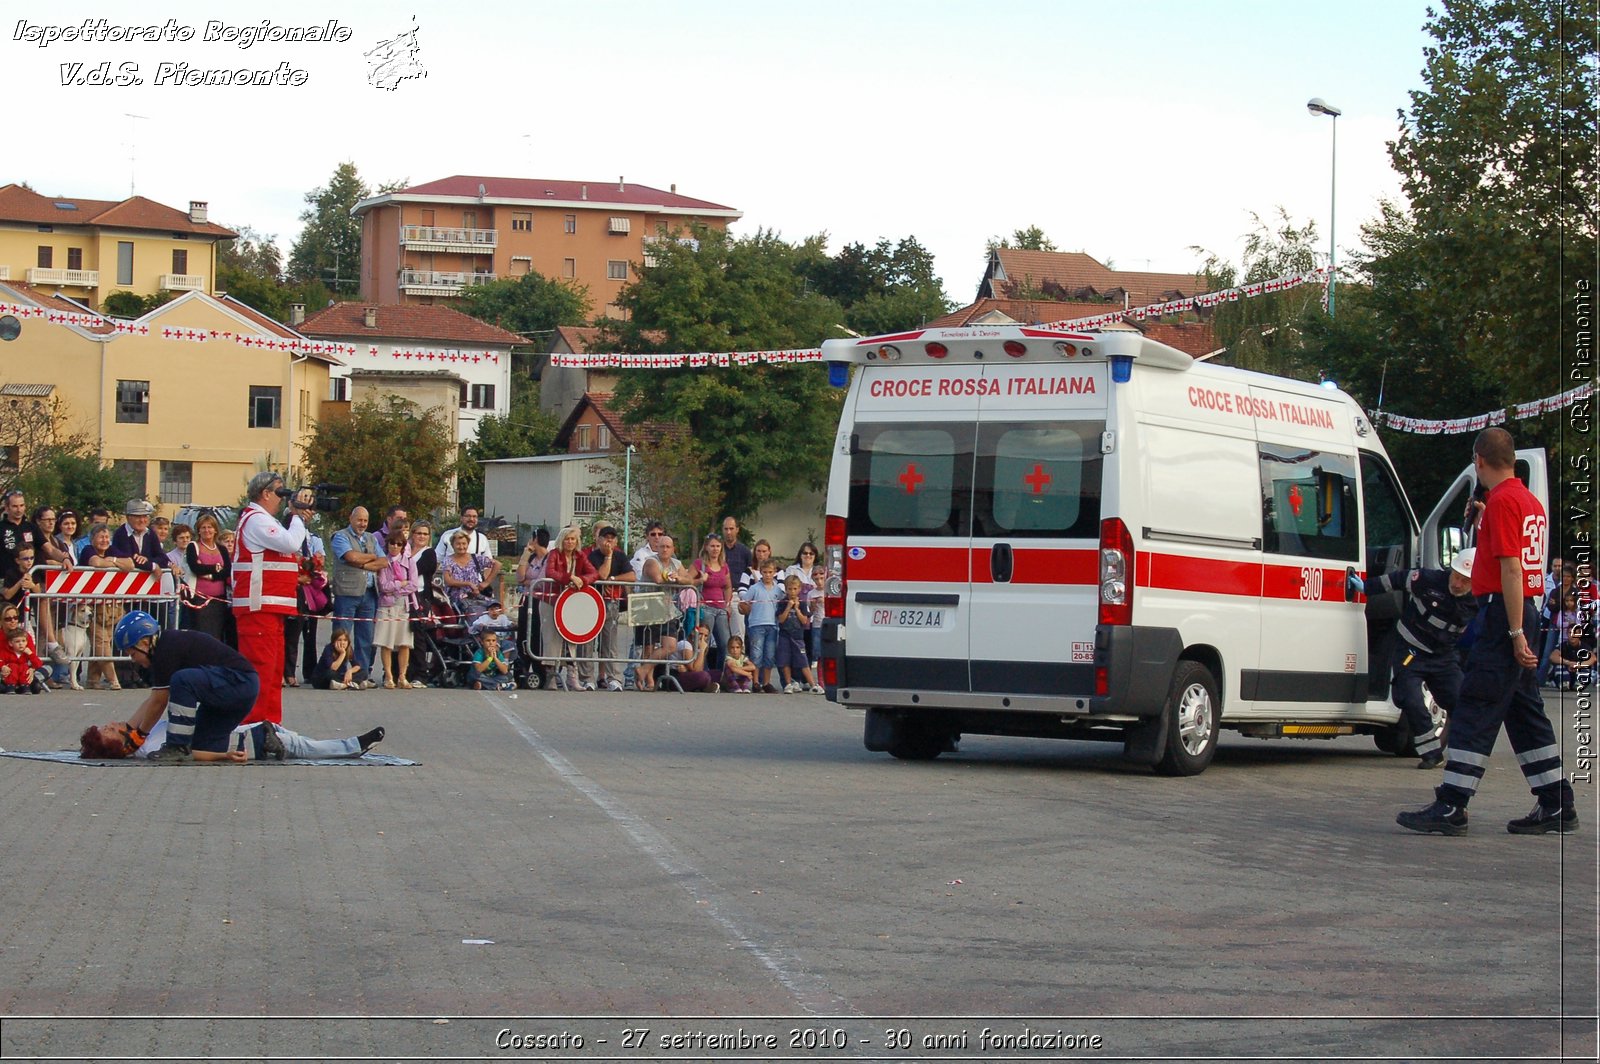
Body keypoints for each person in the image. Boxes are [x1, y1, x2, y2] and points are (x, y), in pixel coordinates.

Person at [1398, 428, 1578, 836]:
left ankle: (1451, 805)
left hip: (1504, 614)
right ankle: (1556, 801)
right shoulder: (1528, 501)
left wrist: (1514, 632)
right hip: (1523, 610)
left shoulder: (1501, 502)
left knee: (1476, 704)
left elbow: (1511, 569)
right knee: (1524, 711)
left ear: (1478, 460)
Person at [90, 610, 260, 762]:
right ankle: (269, 738)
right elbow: (153, 700)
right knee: (205, 746)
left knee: (181, 680)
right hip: (237, 687)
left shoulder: (165, 650)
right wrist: (130, 729)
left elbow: (159, 701)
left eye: (132, 653)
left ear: (144, 643)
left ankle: (177, 746)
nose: (134, 660)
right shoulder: (164, 646)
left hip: (239, 681)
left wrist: (139, 735)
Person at [1368, 549, 1478, 769]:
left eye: (1465, 581)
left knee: (1463, 702)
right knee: (1410, 699)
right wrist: (1366, 587)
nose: (1457, 583)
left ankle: (1465, 753)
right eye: (1456, 576)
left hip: (1443, 657)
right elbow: (1397, 579)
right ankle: (1431, 753)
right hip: (1411, 651)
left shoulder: (1479, 601)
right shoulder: (1429, 579)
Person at [232, 472, 314, 725]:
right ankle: (254, 727)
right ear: (265, 493)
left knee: (273, 671)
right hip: (259, 609)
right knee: (261, 671)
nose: (283, 498)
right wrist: (297, 517)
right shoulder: (256, 520)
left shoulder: (265, 520)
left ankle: (270, 726)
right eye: (280, 492)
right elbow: (290, 543)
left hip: (270, 608)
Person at [80, 716, 385, 763]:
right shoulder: (148, 748)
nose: (112, 723)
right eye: (107, 730)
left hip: (246, 731)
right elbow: (190, 753)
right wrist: (224, 757)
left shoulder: (143, 733)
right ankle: (353, 746)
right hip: (244, 743)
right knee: (305, 747)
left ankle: (350, 746)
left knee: (301, 741)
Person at [330, 506, 385, 690]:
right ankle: (338, 674)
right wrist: (371, 557)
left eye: (365, 521)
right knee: (341, 637)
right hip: (346, 593)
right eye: (359, 520)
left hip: (369, 593)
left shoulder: (371, 537)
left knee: (365, 638)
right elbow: (349, 556)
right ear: (351, 518)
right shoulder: (340, 536)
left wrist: (362, 564)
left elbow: (384, 561)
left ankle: (361, 675)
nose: (362, 524)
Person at [77, 523, 133, 690]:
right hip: (91, 607)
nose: (104, 540)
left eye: (107, 537)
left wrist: (113, 560)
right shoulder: (88, 549)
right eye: (101, 537)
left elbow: (129, 564)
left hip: (111, 607)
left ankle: (93, 680)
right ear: (92, 538)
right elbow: (96, 563)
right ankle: (113, 679)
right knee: (101, 643)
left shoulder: (112, 551)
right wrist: (114, 564)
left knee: (105, 640)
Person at [543, 525, 597, 691]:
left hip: (571, 603)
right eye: (567, 538)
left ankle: (572, 677)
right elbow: (550, 572)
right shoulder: (554, 554)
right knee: (551, 639)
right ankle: (551, 677)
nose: (570, 542)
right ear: (562, 540)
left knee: (571, 638)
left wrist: (582, 580)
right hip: (550, 600)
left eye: (573, 539)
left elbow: (594, 573)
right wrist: (569, 578)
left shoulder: (580, 556)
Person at [579, 525, 629, 692]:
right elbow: (601, 575)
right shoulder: (592, 556)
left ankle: (613, 678)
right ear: (598, 539)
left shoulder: (621, 556)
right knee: (588, 641)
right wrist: (608, 557)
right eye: (606, 538)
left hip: (611, 604)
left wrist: (614, 579)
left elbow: (631, 575)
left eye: (612, 538)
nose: (609, 541)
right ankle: (587, 678)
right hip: (592, 602)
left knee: (610, 642)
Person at [374, 530, 422, 689]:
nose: (395, 546)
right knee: (386, 642)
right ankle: (388, 675)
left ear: (403, 546)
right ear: (387, 544)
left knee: (404, 642)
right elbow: (383, 586)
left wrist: (395, 589)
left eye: (399, 544)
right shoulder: (382, 562)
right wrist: (399, 584)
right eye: (392, 543)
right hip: (386, 605)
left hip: (404, 605)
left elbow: (413, 585)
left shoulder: (409, 562)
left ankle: (402, 675)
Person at [687, 533, 733, 673]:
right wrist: (700, 580)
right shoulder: (699, 564)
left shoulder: (724, 566)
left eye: (718, 546)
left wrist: (728, 604)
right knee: (703, 643)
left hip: (720, 609)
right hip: (705, 607)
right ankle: (702, 672)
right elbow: (687, 580)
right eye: (712, 546)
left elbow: (728, 586)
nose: (715, 549)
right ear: (706, 547)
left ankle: (720, 673)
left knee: (725, 644)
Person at [183, 513, 232, 643]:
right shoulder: (193, 546)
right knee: (201, 634)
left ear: (215, 529)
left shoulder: (222, 549)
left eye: (209, 527)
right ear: (198, 530)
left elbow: (227, 571)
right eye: (203, 527)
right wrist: (215, 568)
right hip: (199, 599)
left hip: (219, 599)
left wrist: (208, 574)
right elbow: (195, 568)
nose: (207, 530)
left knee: (217, 635)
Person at [739, 558, 784, 693]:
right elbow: (744, 601)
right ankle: (756, 682)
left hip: (772, 625)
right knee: (756, 654)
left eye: (770, 572)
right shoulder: (754, 588)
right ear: (761, 573)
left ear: (774, 572)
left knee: (769, 655)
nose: (768, 575)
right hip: (756, 624)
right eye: (765, 572)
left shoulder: (778, 590)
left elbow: (782, 602)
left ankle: (767, 682)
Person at [776, 574, 822, 693]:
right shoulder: (782, 602)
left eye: (795, 589)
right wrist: (788, 607)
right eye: (790, 589)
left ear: (799, 589)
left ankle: (813, 684)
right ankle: (788, 684)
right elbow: (781, 619)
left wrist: (796, 609)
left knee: (803, 660)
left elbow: (804, 620)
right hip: (784, 635)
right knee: (784, 659)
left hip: (798, 636)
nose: (792, 591)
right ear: (786, 589)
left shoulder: (801, 603)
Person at [439, 530, 501, 613]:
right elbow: (448, 581)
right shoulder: (448, 560)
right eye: (458, 544)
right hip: (457, 598)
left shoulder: (475, 558)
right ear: (452, 545)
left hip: (475, 595)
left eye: (464, 544)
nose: (461, 547)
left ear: (468, 544)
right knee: (472, 610)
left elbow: (497, 564)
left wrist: (486, 582)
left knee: (494, 606)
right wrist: (468, 583)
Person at [109, 499, 169, 576]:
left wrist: (147, 559)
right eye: (138, 517)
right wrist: (153, 566)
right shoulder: (121, 534)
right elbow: (129, 561)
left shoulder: (150, 533)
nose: (142, 520)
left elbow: (163, 559)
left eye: (144, 516)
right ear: (128, 517)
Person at [721, 516, 753, 643]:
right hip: (718, 595)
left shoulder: (744, 551)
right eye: (726, 529)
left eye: (731, 528)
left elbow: (751, 573)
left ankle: (738, 661)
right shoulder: (717, 550)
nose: (728, 532)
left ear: (737, 530)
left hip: (737, 595)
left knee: (738, 633)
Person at [0, 490, 41, 579]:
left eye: (21, 505)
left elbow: (49, 548)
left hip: (29, 579)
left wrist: (64, 559)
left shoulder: (31, 527)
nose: (19, 510)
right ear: (7, 508)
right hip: (5, 580)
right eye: (15, 506)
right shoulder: (1, 527)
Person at [0, 627, 48, 693]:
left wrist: (31, 654)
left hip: (24, 677)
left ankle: (25, 686)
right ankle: (11, 687)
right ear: (11, 643)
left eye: (23, 641)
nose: (21, 644)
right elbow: (0, 660)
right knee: (13, 666)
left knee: (25, 667)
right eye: (17, 641)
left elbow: (38, 664)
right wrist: (3, 666)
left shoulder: (27, 652)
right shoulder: (6, 652)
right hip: (10, 678)